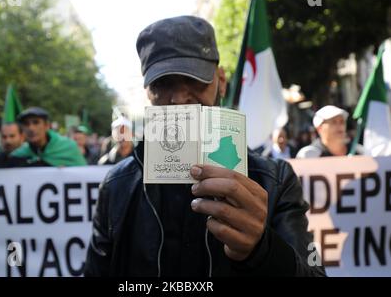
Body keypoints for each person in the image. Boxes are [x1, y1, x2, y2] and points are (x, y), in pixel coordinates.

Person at [84, 16, 325, 277]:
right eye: (162, 84)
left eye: (194, 79)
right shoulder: (118, 185)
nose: (179, 99)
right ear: (147, 93)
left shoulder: (275, 180)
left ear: (220, 81)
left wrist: (262, 250)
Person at [8, 107, 87, 167]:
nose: (31, 128)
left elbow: (83, 175)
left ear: (47, 126)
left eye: (36, 122)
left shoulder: (69, 147)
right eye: (26, 124)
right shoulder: (17, 155)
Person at [296, 105, 363, 158]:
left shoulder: (360, 151)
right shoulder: (308, 155)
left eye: (342, 122)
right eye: (334, 122)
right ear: (319, 128)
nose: (340, 126)